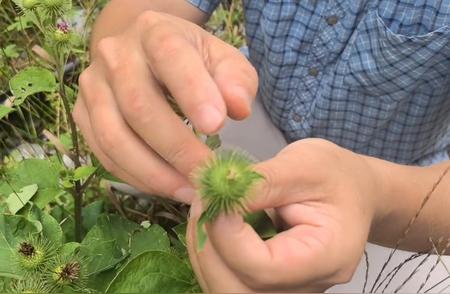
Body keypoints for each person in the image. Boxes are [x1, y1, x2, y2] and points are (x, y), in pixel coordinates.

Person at [72, 0, 450, 292]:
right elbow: (130, 21)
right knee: (131, 169)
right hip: (251, 106)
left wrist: (376, 196)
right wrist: (129, 57)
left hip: (406, 184)